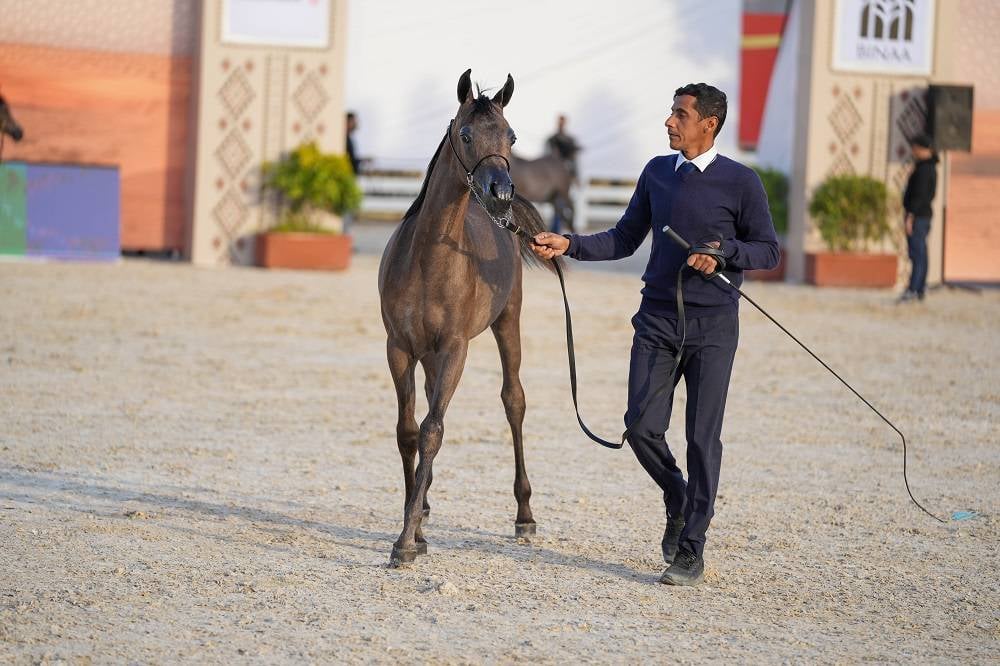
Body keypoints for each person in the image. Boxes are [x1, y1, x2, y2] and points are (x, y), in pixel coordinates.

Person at [531, 83, 778, 586]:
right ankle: (677, 496)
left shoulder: (741, 181)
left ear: (709, 123)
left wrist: (724, 251)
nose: (669, 121)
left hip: (713, 327)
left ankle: (691, 548)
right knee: (641, 427)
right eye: (670, 112)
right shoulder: (656, 174)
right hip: (657, 320)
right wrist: (569, 243)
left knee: (701, 439)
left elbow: (768, 251)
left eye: (680, 114)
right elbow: (623, 238)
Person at [899, 133, 938, 303]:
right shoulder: (928, 167)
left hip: (919, 216)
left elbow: (920, 195)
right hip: (922, 215)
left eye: (915, 148)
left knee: (917, 253)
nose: (913, 151)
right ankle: (918, 288)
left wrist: (911, 216)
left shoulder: (924, 170)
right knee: (920, 253)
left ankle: (914, 288)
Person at [546, 114, 581, 179]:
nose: (561, 124)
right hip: (553, 168)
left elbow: (573, 158)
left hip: (566, 168)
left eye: (562, 122)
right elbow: (547, 153)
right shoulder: (552, 139)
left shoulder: (570, 139)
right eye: (560, 122)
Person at [345, 111, 362, 175]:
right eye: (354, 121)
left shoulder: (349, 138)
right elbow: (349, 160)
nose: (356, 123)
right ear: (348, 122)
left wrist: (362, 160)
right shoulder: (343, 139)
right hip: (347, 174)